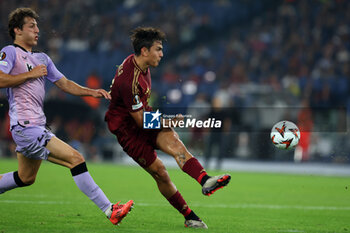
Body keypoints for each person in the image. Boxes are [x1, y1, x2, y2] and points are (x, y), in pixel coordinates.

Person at [0, 8, 133, 225]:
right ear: (17, 30)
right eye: (31, 26)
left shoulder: (42, 58)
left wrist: (92, 92)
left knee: (26, 178)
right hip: (26, 126)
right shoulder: (10, 52)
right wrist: (30, 74)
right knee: (76, 159)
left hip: (34, 126)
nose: (37, 30)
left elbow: (64, 84)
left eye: (37, 25)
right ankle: (110, 210)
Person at [105, 27, 231, 229]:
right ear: (145, 51)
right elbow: (140, 121)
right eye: (158, 49)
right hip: (129, 132)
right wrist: (168, 121)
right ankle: (190, 216)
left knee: (174, 142)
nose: (162, 54)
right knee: (160, 172)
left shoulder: (140, 64)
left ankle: (205, 180)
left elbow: (142, 114)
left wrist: (165, 122)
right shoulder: (129, 81)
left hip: (143, 116)